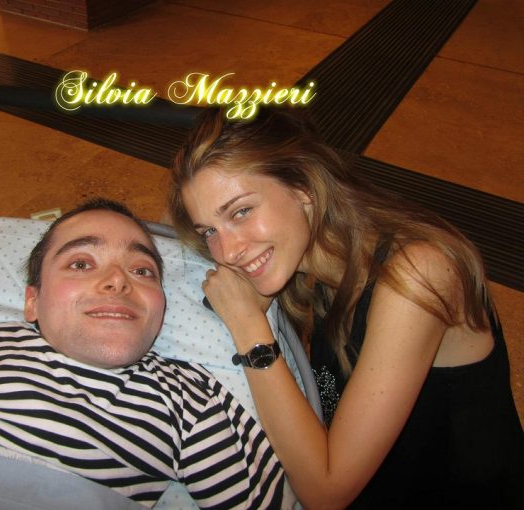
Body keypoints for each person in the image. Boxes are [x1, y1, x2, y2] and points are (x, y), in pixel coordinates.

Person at [169, 108, 523, 509]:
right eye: (210, 231)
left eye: (242, 211)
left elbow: (326, 492)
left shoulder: (418, 272)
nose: (228, 251)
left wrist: (250, 329)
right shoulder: (308, 262)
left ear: (303, 186)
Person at [0, 198, 288, 509]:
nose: (117, 281)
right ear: (32, 302)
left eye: (142, 270)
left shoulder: (189, 398)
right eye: (80, 264)